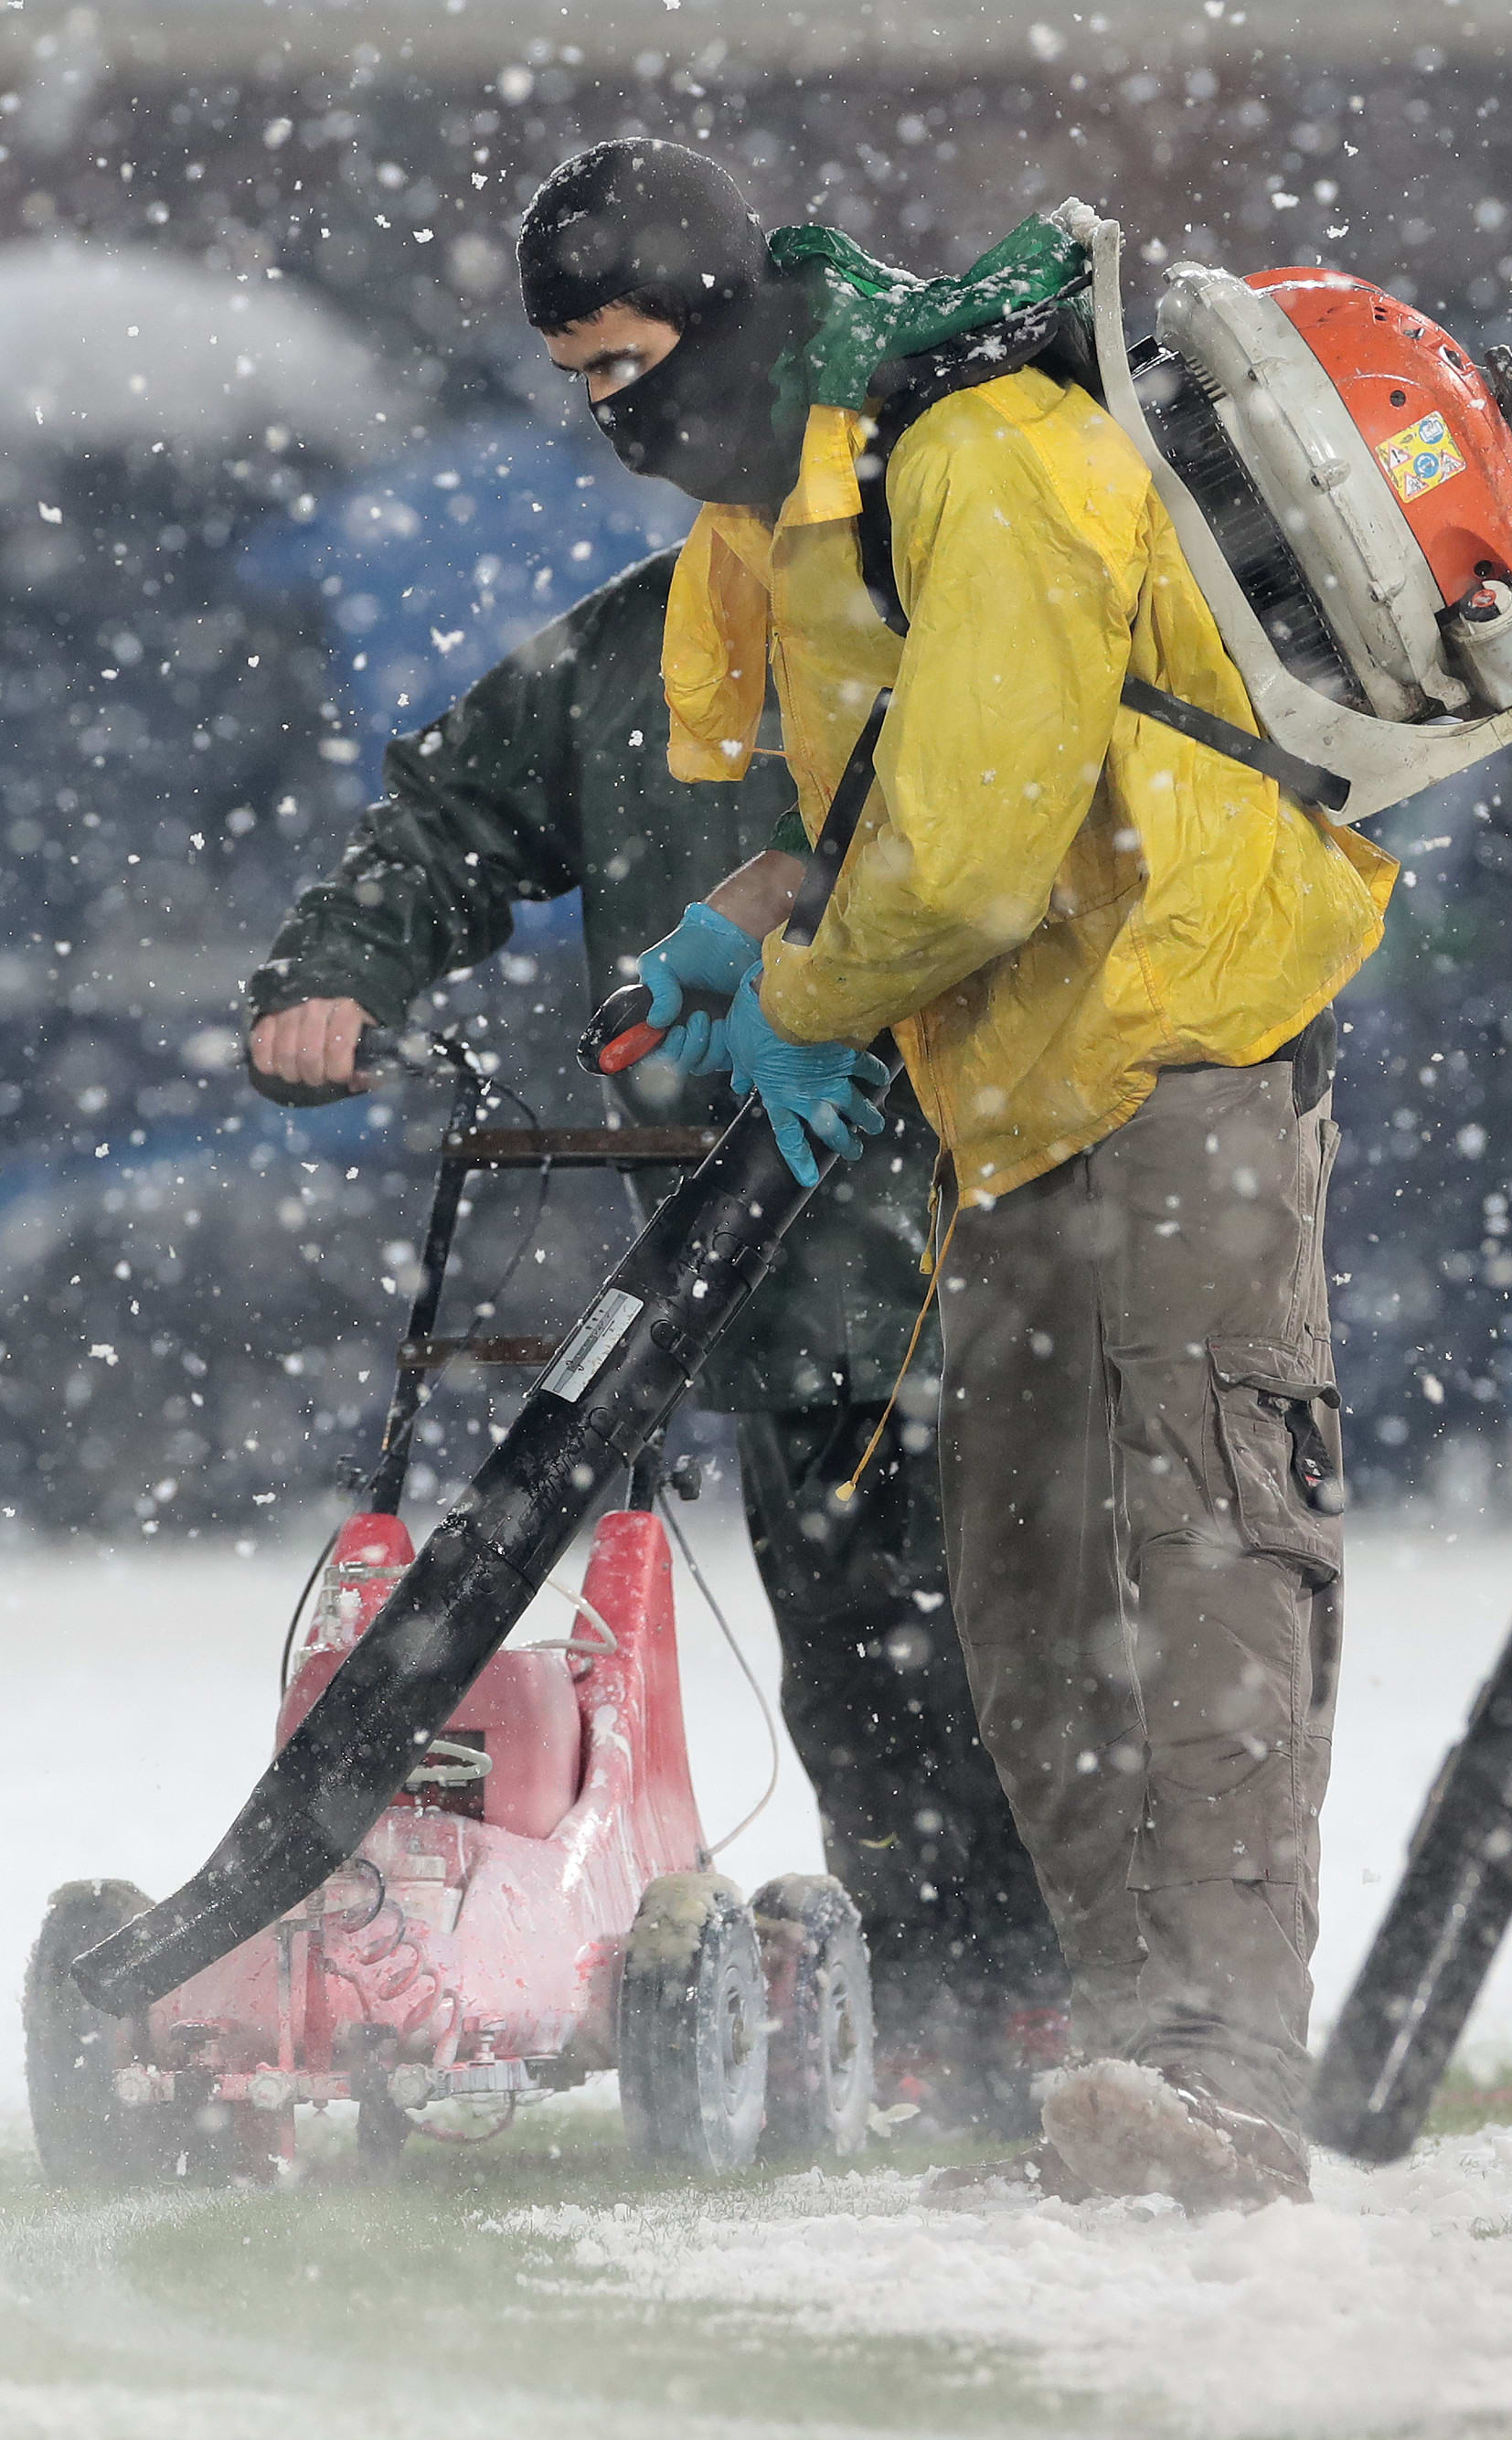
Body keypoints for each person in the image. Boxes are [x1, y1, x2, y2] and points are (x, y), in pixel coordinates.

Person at [512, 137, 1383, 2208]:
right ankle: (1120, 2063)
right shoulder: (787, 500)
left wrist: (809, 995)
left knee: (1184, 1559)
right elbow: (889, 795)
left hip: (1172, 1048)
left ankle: (1222, 2078)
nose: (612, 416)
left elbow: (983, 839)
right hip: (1012, 1091)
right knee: (1025, 1586)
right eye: (574, 378)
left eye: (629, 360)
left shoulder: (967, 445)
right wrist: (761, 927)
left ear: (723, 319)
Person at [243, 506, 1067, 2138]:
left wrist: (793, 935)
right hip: (775, 1264)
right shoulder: (639, 653)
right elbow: (453, 816)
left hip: (1010, 1243)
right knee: (861, 1668)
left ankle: (1059, 2002)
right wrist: (340, 967)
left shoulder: (968, 598)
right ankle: (947, 2002)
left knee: (1017, 1658)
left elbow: (1010, 843)